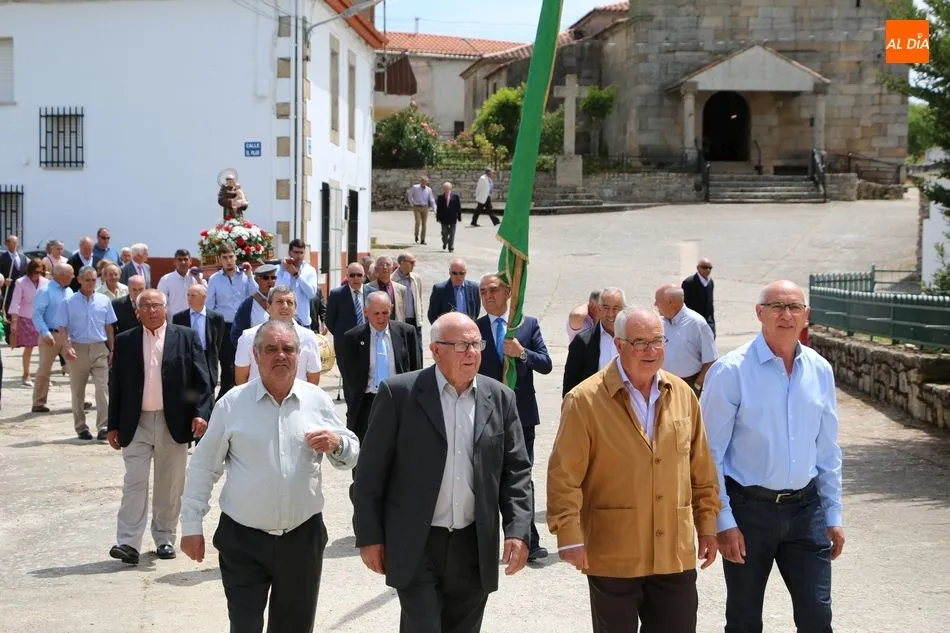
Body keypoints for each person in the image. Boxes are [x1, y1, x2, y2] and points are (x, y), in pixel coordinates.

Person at [353, 312, 533, 633]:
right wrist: (369, 536)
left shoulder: (500, 397)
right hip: (417, 543)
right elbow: (369, 473)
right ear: (435, 350)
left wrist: (518, 530)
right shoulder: (400, 394)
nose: (472, 353)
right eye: (462, 345)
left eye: (476, 344)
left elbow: (516, 471)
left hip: (473, 545)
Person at [547, 306, 721, 633]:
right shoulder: (584, 400)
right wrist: (568, 535)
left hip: (673, 551)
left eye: (657, 341)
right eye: (640, 342)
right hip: (614, 551)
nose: (650, 350)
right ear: (618, 345)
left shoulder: (683, 395)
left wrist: (708, 525)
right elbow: (564, 476)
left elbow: (701, 469)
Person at [180, 319, 359, 633]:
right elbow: (204, 468)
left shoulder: (316, 400)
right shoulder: (232, 404)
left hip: (302, 539)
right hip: (243, 540)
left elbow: (351, 453)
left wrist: (337, 443)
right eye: (271, 349)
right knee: (245, 626)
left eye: (288, 349)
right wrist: (191, 526)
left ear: (298, 355)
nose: (281, 355)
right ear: (256, 354)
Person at [700, 280, 845, 633]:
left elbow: (827, 450)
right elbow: (708, 454)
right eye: (777, 306)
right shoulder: (731, 371)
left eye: (794, 307)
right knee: (744, 620)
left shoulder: (820, 370)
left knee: (817, 618)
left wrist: (833, 514)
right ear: (759, 313)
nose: (786, 315)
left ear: (806, 315)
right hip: (749, 512)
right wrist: (723, 521)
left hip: (806, 511)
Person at [107, 289, 212, 565]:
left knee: (170, 483)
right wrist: (113, 424)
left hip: (173, 421)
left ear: (166, 308)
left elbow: (203, 380)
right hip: (136, 422)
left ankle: (164, 537)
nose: (151, 310)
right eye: (145, 306)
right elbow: (116, 384)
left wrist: (201, 413)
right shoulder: (126, 340)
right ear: (137, 312)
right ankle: (128, 542)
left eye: (156, 305)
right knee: (134, 481)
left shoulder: (186, 337)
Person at [476, 272, 552, 561]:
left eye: (493, 289)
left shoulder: (526, 324)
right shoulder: (474, 328)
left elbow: (545, 364)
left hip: (521, 415)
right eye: (483, 291)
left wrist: (522, 353)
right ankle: (485, 543)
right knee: (486, 479)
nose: (488, 295)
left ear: (508, 292)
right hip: (485, 415)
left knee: (522, 477)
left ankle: (528, 541)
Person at [54, 266, 117, 440]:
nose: (91, 283)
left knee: (103, 389)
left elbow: (109, 327)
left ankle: (104, 426)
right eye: (87, 280)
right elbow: (61, 327)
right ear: (79, 280)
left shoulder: (104, 300)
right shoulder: (68, 301)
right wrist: (67, 347)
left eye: (94, 280)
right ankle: (81, 427)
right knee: (77, 391)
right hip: (78, 348)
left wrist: (112, 349)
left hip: (99, 348)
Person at [234, 285, 321, 386]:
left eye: (289, 302)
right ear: (268, 306)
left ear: (295, 308)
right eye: (279, 302)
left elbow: (313, 377)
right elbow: (241, 377)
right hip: (257, 395)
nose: (285, 306)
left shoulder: (308, 338)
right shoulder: (249, 337)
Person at [654, 284, 717, 394]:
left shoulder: (697, 324)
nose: (655, 304)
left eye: (657, 301)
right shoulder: (659, 322)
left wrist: (697, 385)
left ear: (670, 301)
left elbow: (710, 360)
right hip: (662, 383)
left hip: (688, 385)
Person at [562, 287, 625, 397]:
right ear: (599, 308)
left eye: (615, 308)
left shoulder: (634, 339)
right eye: (606, 308)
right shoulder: (582, 341)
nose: (611, 314)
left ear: (623, 310)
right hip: (594, 403)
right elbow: (571, 383)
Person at [171, 284, 226, 392]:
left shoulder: (216, 318)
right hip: (187, 359)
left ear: (204, 297)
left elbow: (218, 342)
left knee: (207, 392)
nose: (189, 298)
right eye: (188, 295)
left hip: (207, 359)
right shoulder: (179, 318)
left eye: (193, 295)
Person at [8, 259, 48, 386]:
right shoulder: (21, 282)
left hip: (42, 318)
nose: (37, 275)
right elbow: (15, 301)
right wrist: (14, 321)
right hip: (26, 317)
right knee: (29, 347)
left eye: (40, 272)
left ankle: (43, 376)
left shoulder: (46, 282)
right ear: (30, 271)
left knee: (45, 349)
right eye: (35, 272)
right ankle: (26, 374)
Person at [275, 239, 319, 328]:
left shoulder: (310, 270)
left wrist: (296, 275)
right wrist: (287, 271)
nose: (298, 256)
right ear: (289, 252)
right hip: (282, 320)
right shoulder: (279, 269)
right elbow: (278, 290)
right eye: (295, 252)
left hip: (303, 321)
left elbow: (311, 294)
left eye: (301, 253)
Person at [427, 258, 480, 324]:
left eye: (461, 273)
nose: (458, 276)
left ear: (466, 272)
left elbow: (476, 312)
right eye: (454, 273)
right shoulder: (439, 290)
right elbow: (432, 316)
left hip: (468, 328)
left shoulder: (474, 288)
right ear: (450, 272)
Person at [681, 257, 715, 337]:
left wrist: (712, 322)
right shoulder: (689, 282)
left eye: (710, 268)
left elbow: (710, 304)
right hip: (694, 322)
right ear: (698, 268)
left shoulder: (710, 282)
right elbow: (685, 304)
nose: (707, 270)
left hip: (708, 322)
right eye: (704, 267)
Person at [407, 176, 436, 245]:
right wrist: (412, 204)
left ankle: (423, 239)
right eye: (423, 182)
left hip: (425, 207)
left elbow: (432, 200)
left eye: (425, 182)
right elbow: (410, 196)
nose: (424, 183)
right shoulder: (415, 187)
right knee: (418, 222)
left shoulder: (428, 189)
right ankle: (416, 236)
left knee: (424, 223)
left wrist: (435, 210)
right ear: (420, 182)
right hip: (417, 206)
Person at [435, 181, 462, 251]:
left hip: (452, 217)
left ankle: (451, 246)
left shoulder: (455, 197)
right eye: (445, 188)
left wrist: (459, 216)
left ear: (450, 189)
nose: (446, 190)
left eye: (447, 188)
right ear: (443, 189)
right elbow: (438, 209)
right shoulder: (440, 197)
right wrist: (438, 218)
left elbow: (458, 207)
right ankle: (445, 242)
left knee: (452, 233)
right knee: (444, 232)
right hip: (443, 218)